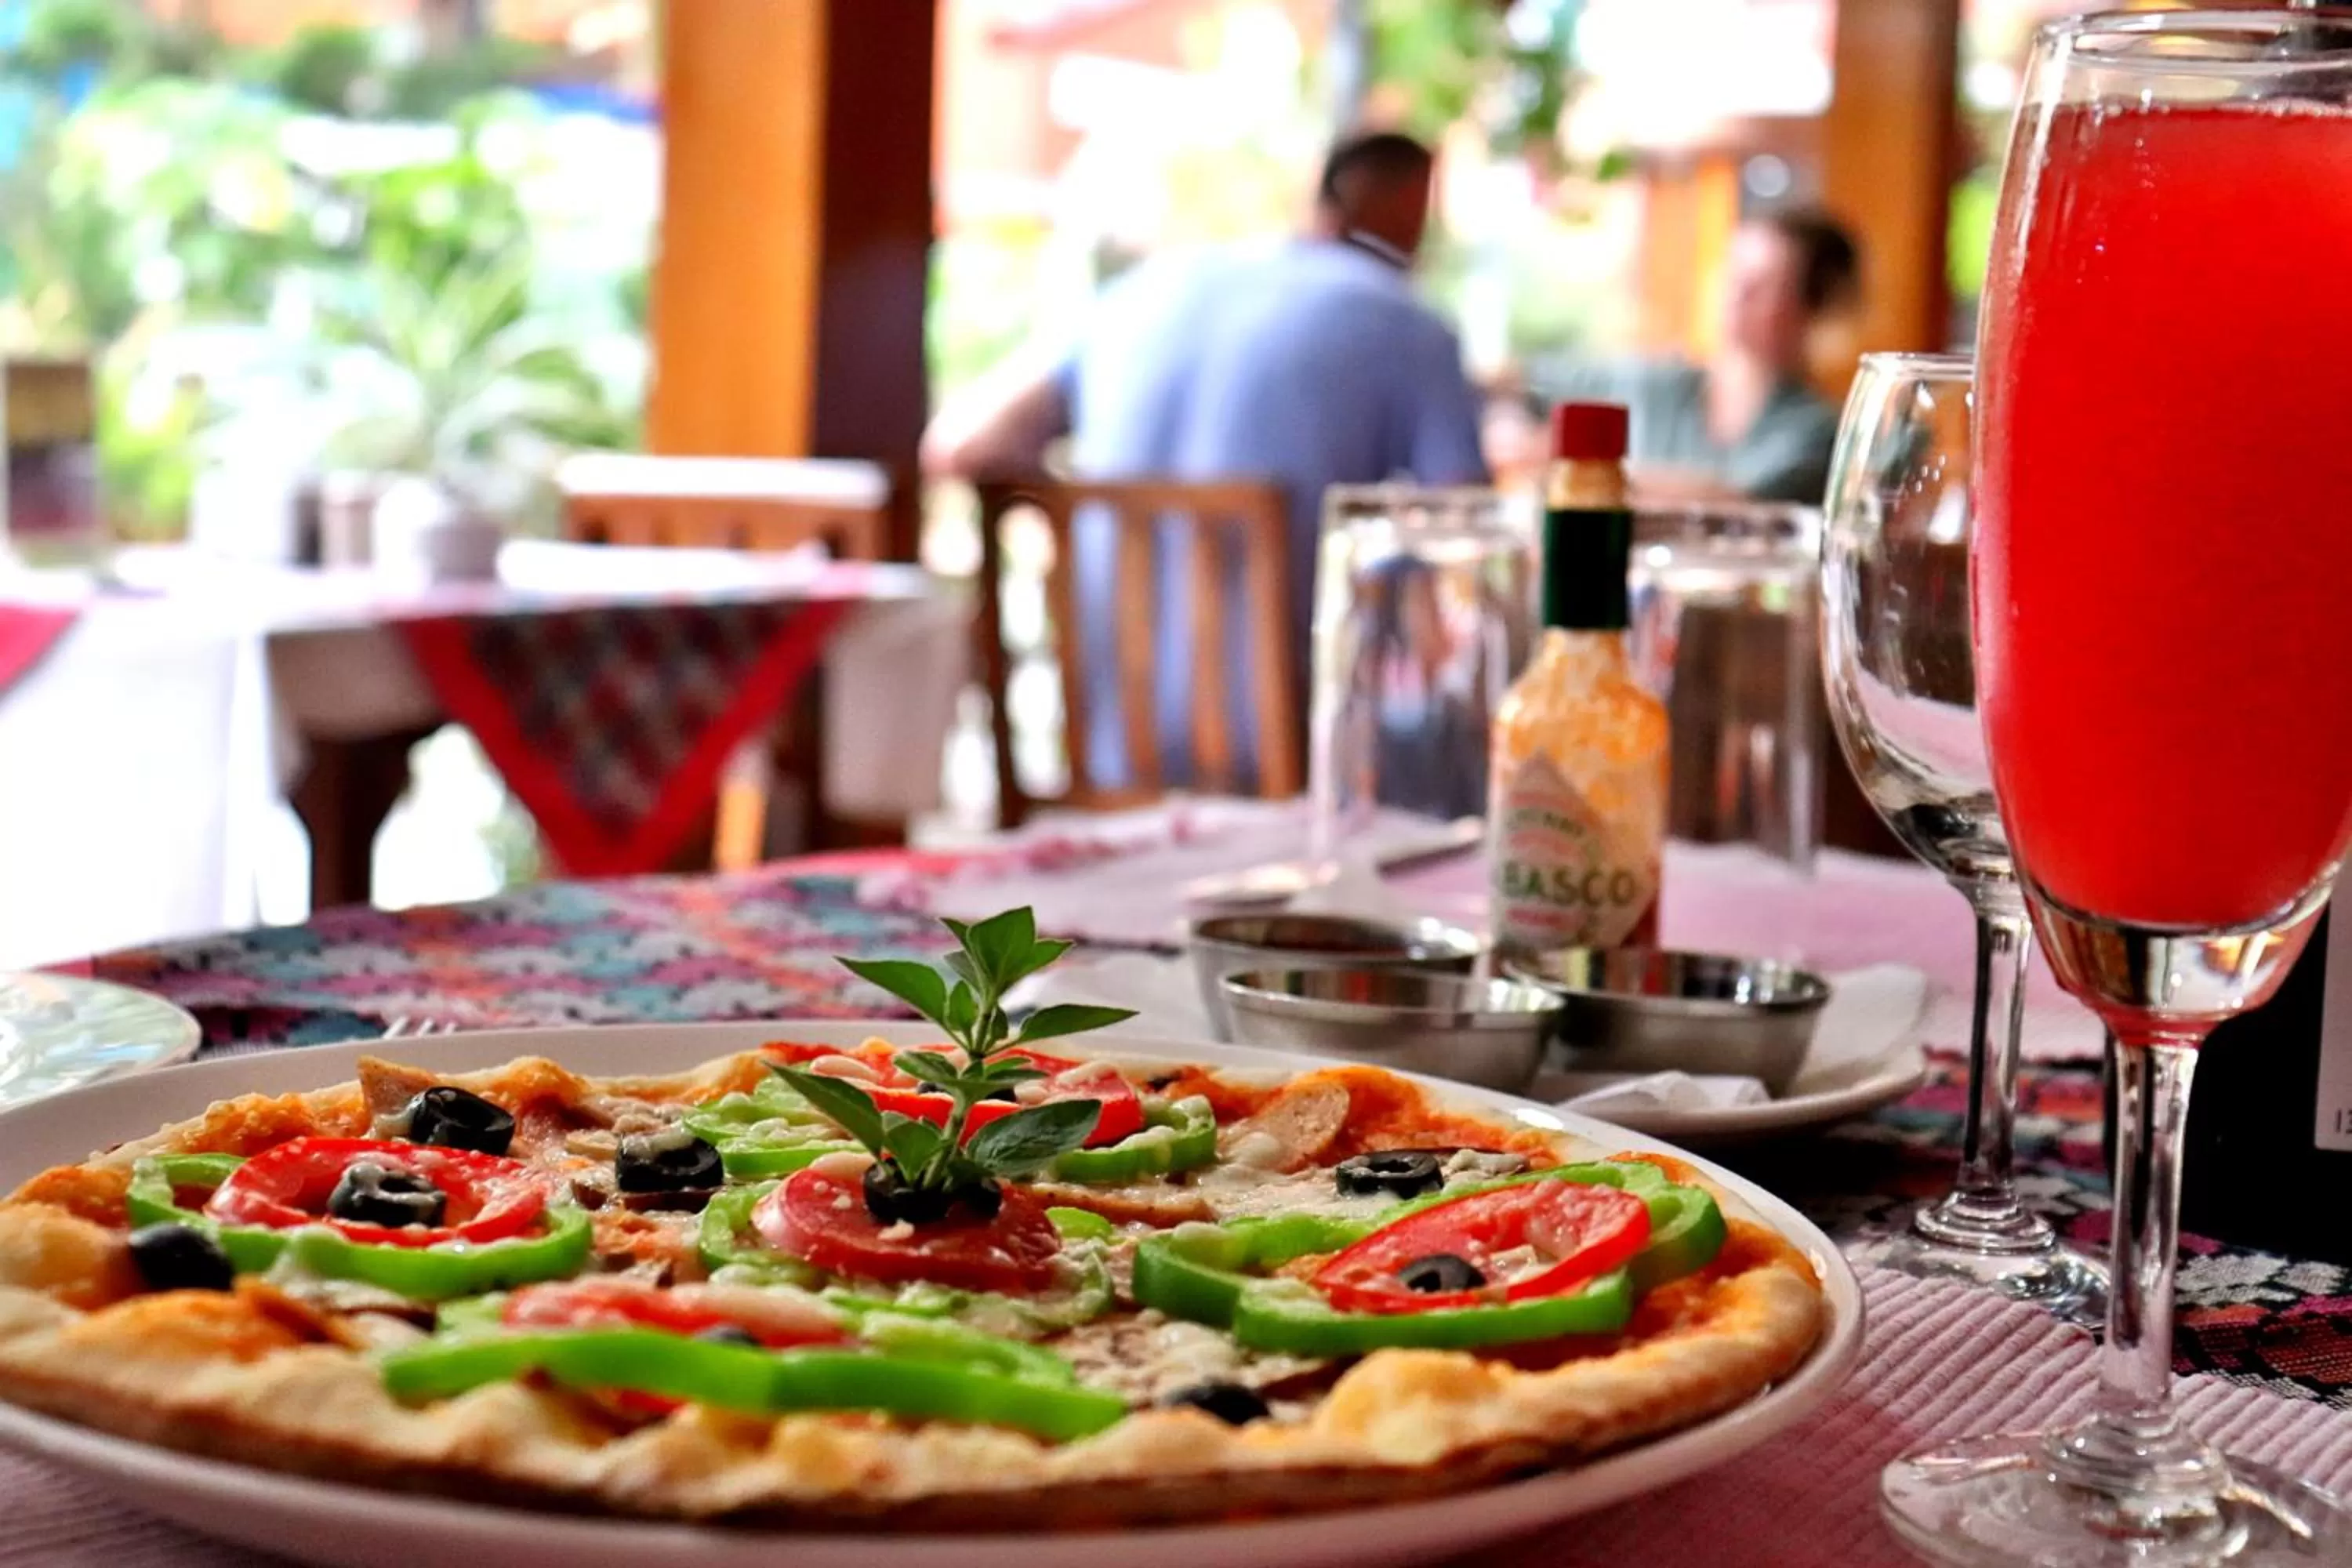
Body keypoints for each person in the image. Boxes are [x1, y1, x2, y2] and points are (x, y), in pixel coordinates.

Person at [924, 130, 1489, 790]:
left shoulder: (1147, 289)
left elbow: (963, 448)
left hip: (1103, 771)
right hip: (1301, 785)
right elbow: (1472, 537)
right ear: (1408, 209)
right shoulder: (1409, 325)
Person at [1534, 207, 1862, 506]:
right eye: (1734, 274)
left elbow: (1745, 508)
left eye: (1763, 284)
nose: (1737, 293)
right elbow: (1534, 384)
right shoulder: (1658, 385)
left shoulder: (1817, 431)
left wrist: (1585, 473)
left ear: (1813, 309)